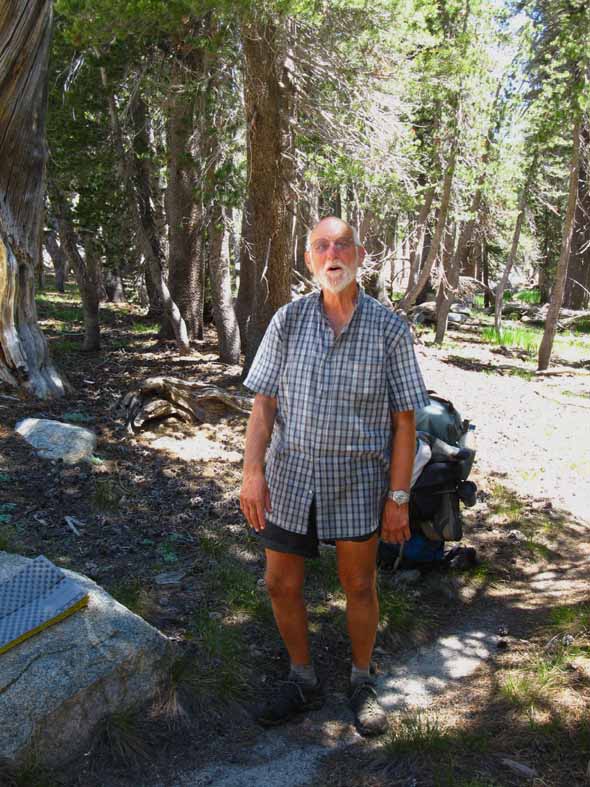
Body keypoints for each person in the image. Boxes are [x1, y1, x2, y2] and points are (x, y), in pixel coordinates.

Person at [240, 216, 429, 736]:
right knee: (280, 583)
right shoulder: (288, 321)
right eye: (321, 246)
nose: (333, 254)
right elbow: (263, 404)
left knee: (360, 584)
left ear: (361, 255)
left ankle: (362, 679)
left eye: (342, 244)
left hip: (357, 480)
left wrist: (398, 496)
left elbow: (405, 420)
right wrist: (252, 471)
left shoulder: (389, 329)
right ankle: (302, 679)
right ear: (309, 260)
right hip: (291, 475)